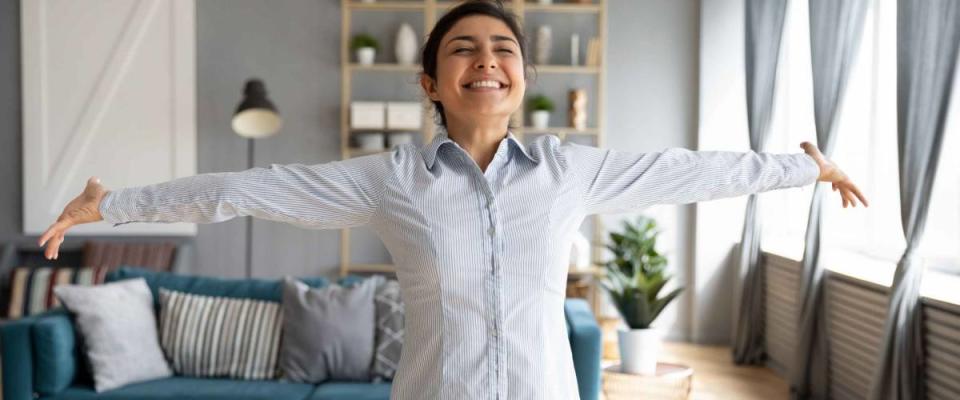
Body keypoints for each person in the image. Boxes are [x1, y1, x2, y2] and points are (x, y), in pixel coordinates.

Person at [38, 1, 867, 399]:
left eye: (503, 48)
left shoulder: (568, 168)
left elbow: (686, 171)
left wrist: (803, 171)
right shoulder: (390, 178)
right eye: (464, 49)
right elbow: (249, 188)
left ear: (522, 79)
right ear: (432, 81)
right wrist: (111, 204)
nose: (488, 59)